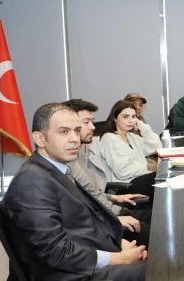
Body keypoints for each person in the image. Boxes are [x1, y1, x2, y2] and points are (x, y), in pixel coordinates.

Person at [3, 103, 147, 281]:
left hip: (81, 271)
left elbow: (85, 223)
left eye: (76, 130)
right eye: (63, 132)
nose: (74, 139)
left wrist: (118, 243)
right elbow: (56, 251)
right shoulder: (32, 181)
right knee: (165, 274)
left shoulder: (55, 169)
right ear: (40, 138)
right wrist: (118, 258)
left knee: (164, 265)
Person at [63, 99, 151, 244]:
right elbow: (79, 208)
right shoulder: (66, 164)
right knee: (159, 233)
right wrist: (113, 219)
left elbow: (88, 193)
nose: (93, 127)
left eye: (92, 121)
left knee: (160, 216)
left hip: (110, 209)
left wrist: (114, 197)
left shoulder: (78, 156)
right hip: (107, 218)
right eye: (86, 122)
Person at [100, 100, 160, 183]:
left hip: (141, 177)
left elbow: (155, 147)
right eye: (125, 117)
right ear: (115, 118)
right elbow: (123, 171)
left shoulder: (131, 136)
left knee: (166, 176)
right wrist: (144, 165)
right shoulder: (109, 138)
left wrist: (140, 125)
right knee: (164, 179)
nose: (131, 121)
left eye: (133, 116)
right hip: (127, 184)